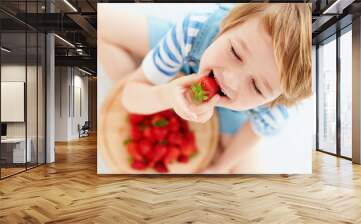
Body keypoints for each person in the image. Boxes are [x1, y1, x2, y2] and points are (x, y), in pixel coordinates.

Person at [98, 3, 312, 173]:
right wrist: (166, 95)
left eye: (257, 87)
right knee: (102, 22)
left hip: (230, 111)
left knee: (247, 174)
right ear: (228, 24)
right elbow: (129, 96)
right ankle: (150, 73)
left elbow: (253, 133)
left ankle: (148, 72)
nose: (230, 80)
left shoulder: (275, 108)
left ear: (272, 101)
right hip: (187, 55)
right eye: (235, 53)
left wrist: (221, 166)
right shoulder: (193, 30)